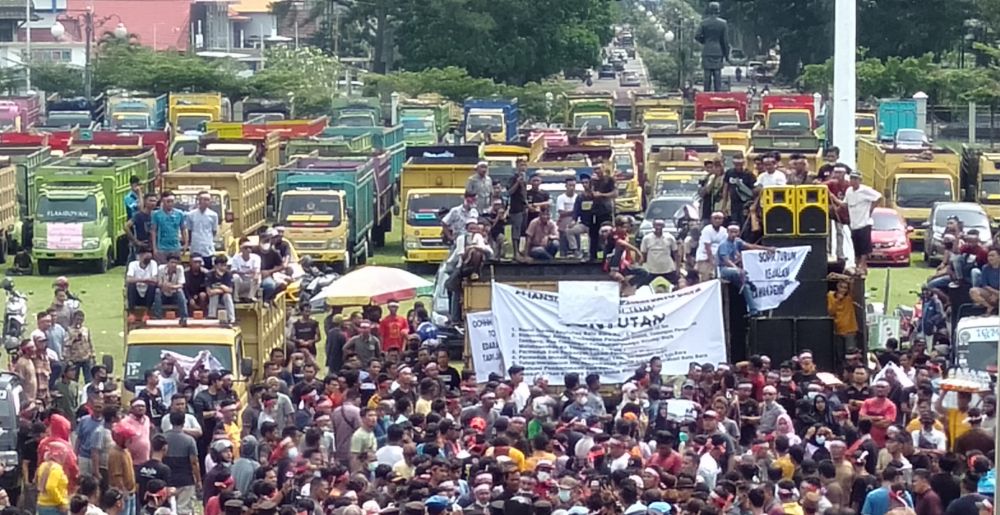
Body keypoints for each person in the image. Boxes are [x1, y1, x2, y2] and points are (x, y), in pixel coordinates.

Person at [717, 224, 773, 316]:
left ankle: (753, 310)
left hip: (739, 274)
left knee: (746, 287)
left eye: (735, 232)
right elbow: (726, 260)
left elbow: (751, 246)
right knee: (740, 273)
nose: (733, 234)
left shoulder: (737, 242)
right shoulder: (724, 244)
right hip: (725, 270)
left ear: (738, 233)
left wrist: (767, 249)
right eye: (731, 232)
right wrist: (737, 269)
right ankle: (750, 282)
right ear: (727, 232)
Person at [845, 171, 882, 276]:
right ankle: (860, 267)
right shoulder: (849, 191)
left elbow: (879, 197)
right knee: (856, 248)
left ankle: (861, 266)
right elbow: (844, 204)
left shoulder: (865, 190)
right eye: (852, 178)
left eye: (856, 179)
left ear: (860, 180)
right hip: (854, 224)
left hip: (864, 223)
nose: (853, 181)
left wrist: (871, 209)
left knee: (864, 248)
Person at [150, 191, 187, 265]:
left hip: (175, 247)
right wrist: (154, 248)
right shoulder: (156, 214)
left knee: (175, 268)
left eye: (172, 201)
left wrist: (185, 243)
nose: (170, 204)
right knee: (162, 268)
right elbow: (153, 231)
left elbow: (183, 229)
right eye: (168, 201)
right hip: (162, 247)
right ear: (163, 201)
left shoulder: (179, 214)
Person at [640, 219, 681, 285]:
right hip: (652, 271)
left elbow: (676, 253)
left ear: (664, 226)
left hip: (668, 270)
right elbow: (643, 254)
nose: (658, 227)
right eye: (656, 225)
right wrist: (641, 266)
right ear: (653, 226)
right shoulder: (646, 238)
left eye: (660, 225)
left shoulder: (670, 237)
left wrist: (678, 269)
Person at [589, 163, 617, 261]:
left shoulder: (609, 180)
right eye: (595, 169)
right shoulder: (593, 181)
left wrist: (602, 194)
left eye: (598, 169)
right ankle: (593, 256)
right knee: (593, 233)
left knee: (607, 233)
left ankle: (608, 256)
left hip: (606, 209)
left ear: (603, 169)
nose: (597, 171)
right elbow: (589, 193)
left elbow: (615, 193)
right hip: (595, 210)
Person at [185, 191, 219, 264]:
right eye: (204, 199)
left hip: (207, 247)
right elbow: (189, 230)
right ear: (199, 201)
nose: (206, 202)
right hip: (195, 246)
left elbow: (214, 231)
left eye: (208, 200)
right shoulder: (191, 215)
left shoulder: (213, 215)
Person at [828, 279, 859, 351]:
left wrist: (840, 276)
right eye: (841, 287)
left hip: (850, 330)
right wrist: (837, 300)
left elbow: (852, 281)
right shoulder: (830, 296)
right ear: (837, 287)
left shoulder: (849, 297)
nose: (843, 290)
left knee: (850, 352)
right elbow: (831, 312)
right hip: (837, 330)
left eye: (845, 288)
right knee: (839, 353)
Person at [153, 254, 187, 319]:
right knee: (157, 291)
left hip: (174, 293)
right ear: (167, 263)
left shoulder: (180, 268)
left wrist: (171, 286)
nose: (173, 265)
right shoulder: (161, 268)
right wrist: (164, 285)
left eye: (175, 263)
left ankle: (184, 317)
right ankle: (158, 316)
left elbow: (181, 285)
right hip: (164, 293)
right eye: (172, 262)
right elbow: (159, 283)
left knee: (180, 291)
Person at [126, 193, 157, 263]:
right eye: (150, 201)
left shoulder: (156, 215)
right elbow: (126, 227)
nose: (153, 203)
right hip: (141, 247)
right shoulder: (138, 215)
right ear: (145, 201)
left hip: (154, 246)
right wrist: (135, 241)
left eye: (154, 201)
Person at [508, 159, 529, 260]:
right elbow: (510, 192)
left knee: (523, 230)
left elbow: (524, 194)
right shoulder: (513, 178)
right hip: (515, 208)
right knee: (515, 230)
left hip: (523, 207)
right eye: (521, 165)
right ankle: (515, 252)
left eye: (525, 165)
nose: (523, 167)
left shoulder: (525, 179)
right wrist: (517, 182)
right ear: (517, 166)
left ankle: (522, 251)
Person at [556, 177, 580, 258]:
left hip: (575, 224)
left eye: (574, 185)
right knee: (563, 249)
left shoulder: (578, 197)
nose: (572, 187)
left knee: (576, 246)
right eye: (570, 185)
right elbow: (561, 213)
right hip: (563, 224)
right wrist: (574, 211)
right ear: (566, 186)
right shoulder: (561, 198)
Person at [206, 255, 235, 321]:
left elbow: (230, 290)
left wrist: (218, 289)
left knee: (227, 295)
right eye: (221, 265)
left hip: (224, 298)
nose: (223, 267)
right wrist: (223, 288)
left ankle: (231, 319)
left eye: (225, 265)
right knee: (214, 295)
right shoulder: (209, 274)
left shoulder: (228, 274)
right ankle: (211, 317)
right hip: (213, 298)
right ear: (216, 266)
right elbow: (209, 292)